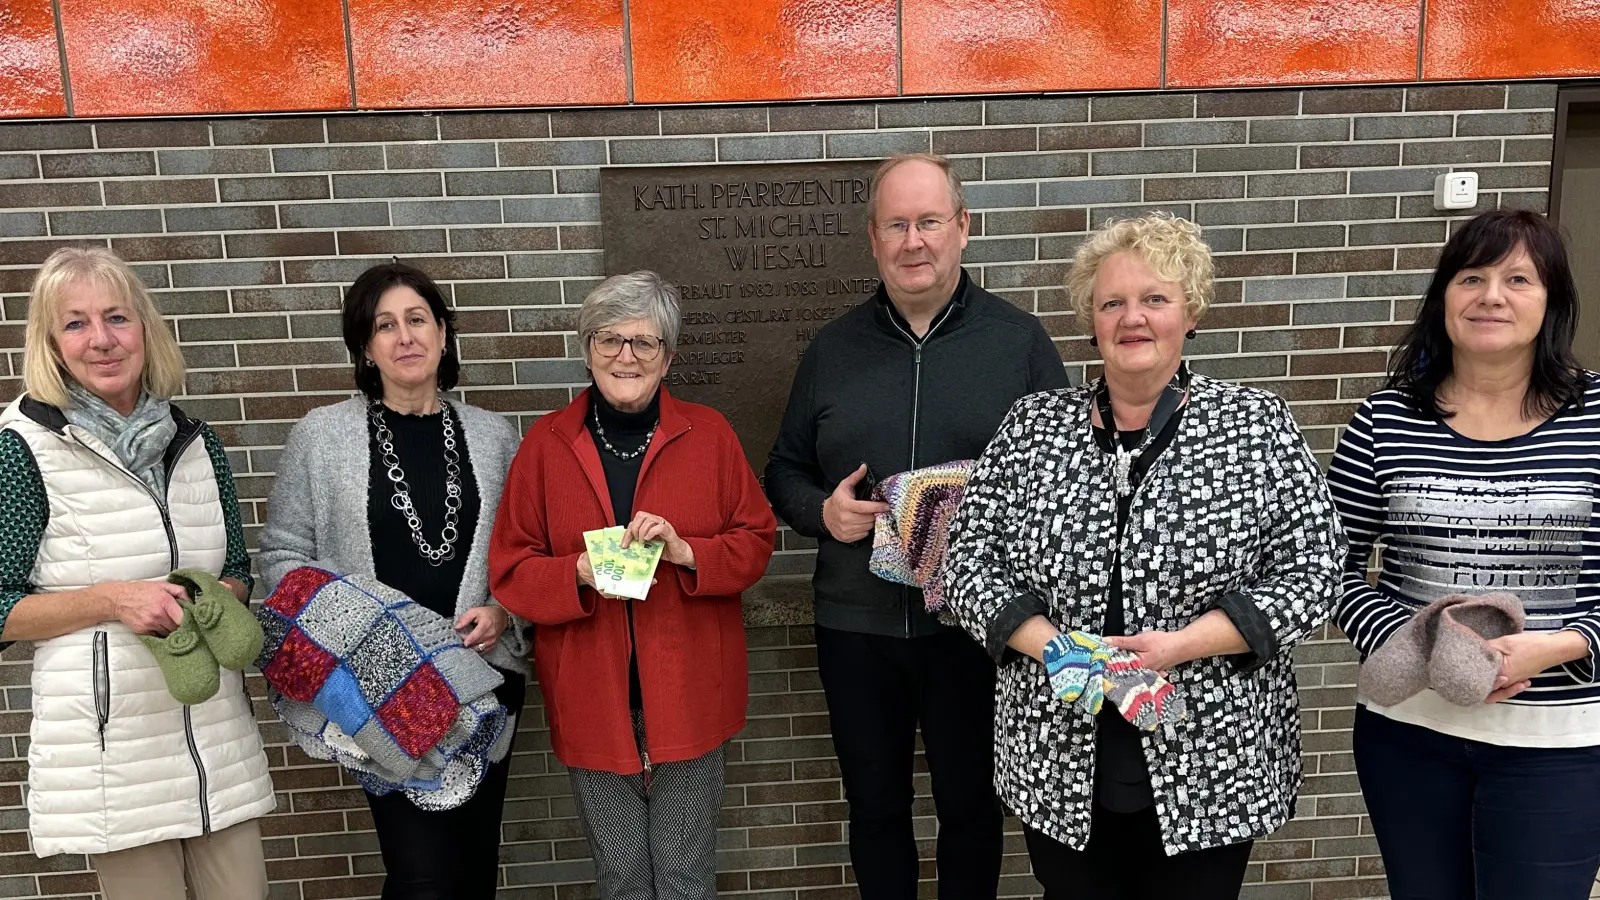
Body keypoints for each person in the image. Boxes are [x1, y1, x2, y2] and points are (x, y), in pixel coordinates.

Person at [942, 213, 1346, 900]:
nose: (1133, 318)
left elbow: (1317, 567)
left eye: (1154, 299)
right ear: (1091, 321)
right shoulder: (1031, 427)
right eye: (1112, 303)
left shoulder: (1255, 426)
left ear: (1190, 313)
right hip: (1057, 749)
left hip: (1211, 755)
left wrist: (1186, 644)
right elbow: (968, 561)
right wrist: (1057, 649)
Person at [763, 152, 1069, 899]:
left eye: (929, 221)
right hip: (856, 627)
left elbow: (1066, 485)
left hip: (978, 630)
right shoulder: (832, 350)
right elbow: (783, 470)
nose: (914, 241)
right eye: (896, 224)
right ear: (873, 238)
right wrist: (822, 513)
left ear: (964, 227)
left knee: (972, 809)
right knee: (875, 810)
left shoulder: (1020, 344)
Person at [1329, 209, 1600, 900]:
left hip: (1560, 742)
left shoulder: (1596, 417)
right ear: (1444, 296)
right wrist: (1417, 647)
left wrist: (1561, 646)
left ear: (1553, 300)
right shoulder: (1385, 420)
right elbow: (1329, 566)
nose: (1492, 297)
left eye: (1518, 279)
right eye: (1471, 277)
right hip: (1410, 734)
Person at [489, 271, 775, 900]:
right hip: (590, 696)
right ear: (587, 349)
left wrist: (687, 552)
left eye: (644, 342)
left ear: (667, 358)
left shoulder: (710, 435)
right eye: (609, 339)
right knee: (621, 879)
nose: (626, 356)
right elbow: (509, 570)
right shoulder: (545, 445)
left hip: (691, 690)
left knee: (684, 876)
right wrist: (576, 572)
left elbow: (756, 543)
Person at [0, 247, 274, 899]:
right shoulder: (24, 448)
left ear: (144, 329)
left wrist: (216, 595)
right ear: (51, 343)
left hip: (215, 739)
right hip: (114, 758)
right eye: (76, 323)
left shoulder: (195, 440)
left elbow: (237, 568)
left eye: (116, 317)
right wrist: (111, 600)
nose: (101, 339)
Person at [258, 262, 531, 900]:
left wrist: (502, 610)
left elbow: (525, 554)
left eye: (417, 320)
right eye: (385, 325)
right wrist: (362, 627)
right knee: (422, 876)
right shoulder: (320, 437)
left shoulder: (494, 438)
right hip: (379, 686)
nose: (405, 337)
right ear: (364, 346)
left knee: (472, 869)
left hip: (482, 678)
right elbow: (283, 557)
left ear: (443, 333)